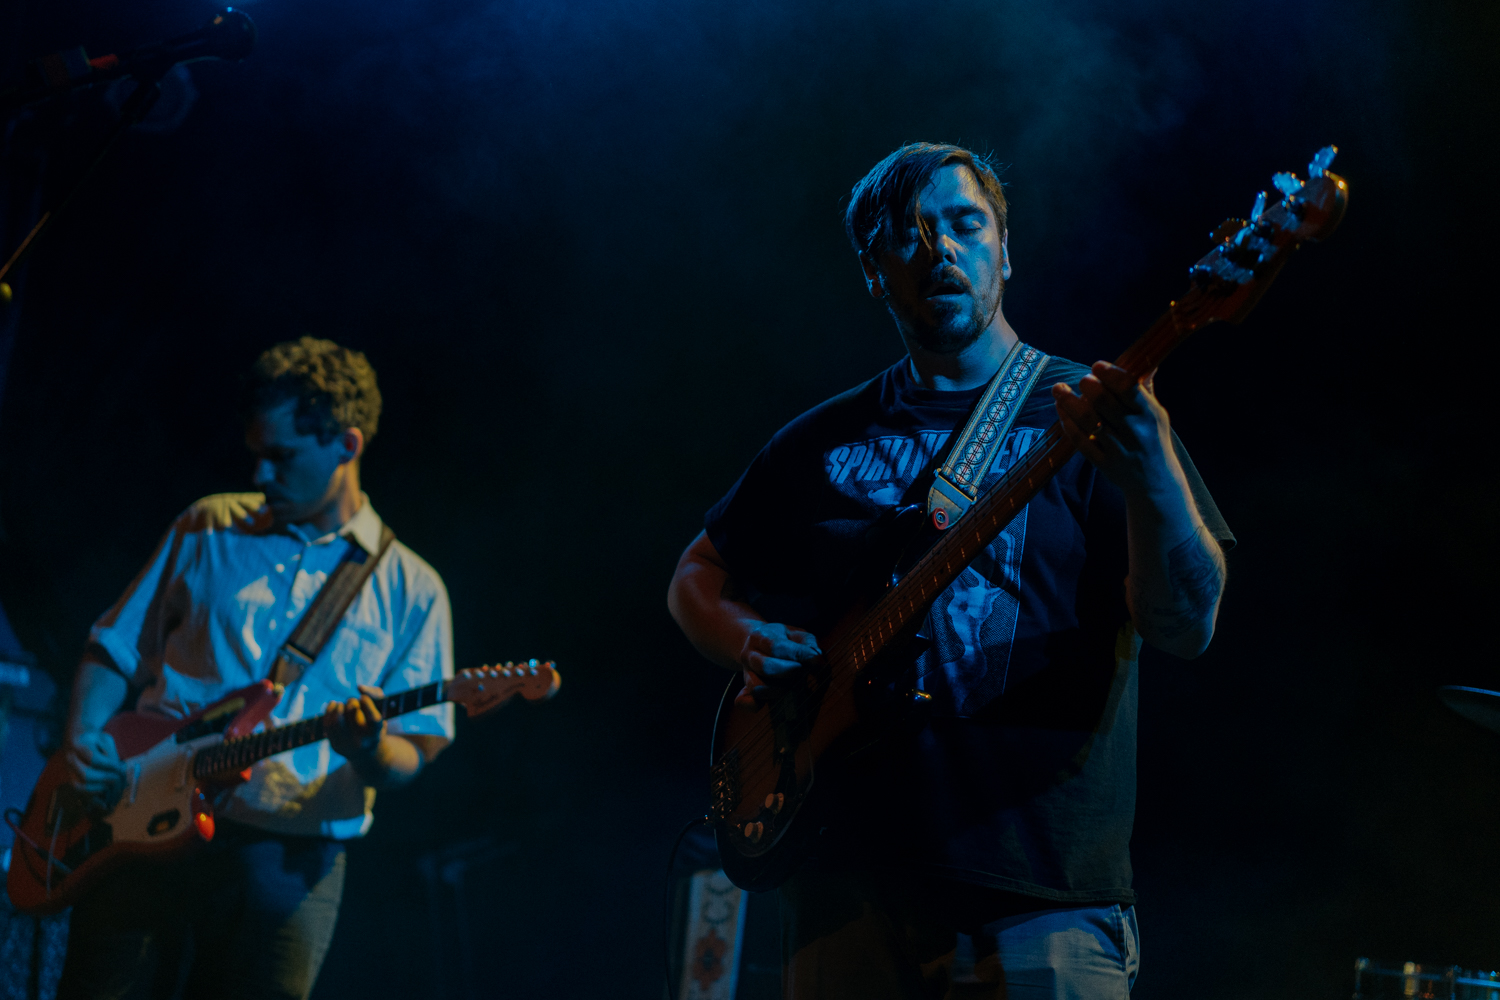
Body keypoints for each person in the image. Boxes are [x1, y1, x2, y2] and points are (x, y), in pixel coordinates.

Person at [666, 143, 1234, 999]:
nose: (942, 250)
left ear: (1005, 248)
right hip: (842, 893)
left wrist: (1152, 473)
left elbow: (1187, 625)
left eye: (967, 224)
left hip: (1038, 903)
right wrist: (748, 642)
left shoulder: (1088, 412)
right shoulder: (824, 437)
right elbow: (696, 573)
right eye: (910, 235)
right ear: (874, 271)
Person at [56, 337, 455, 1000]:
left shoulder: (413, 589)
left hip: (288, 865)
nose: (262, 474)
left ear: (347, 446)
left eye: (282, 457)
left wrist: (371, 747)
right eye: (256, 454)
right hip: (137, 824)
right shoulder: (208, 525)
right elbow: (112, 646)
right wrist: (81, 737)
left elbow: (416, 748)